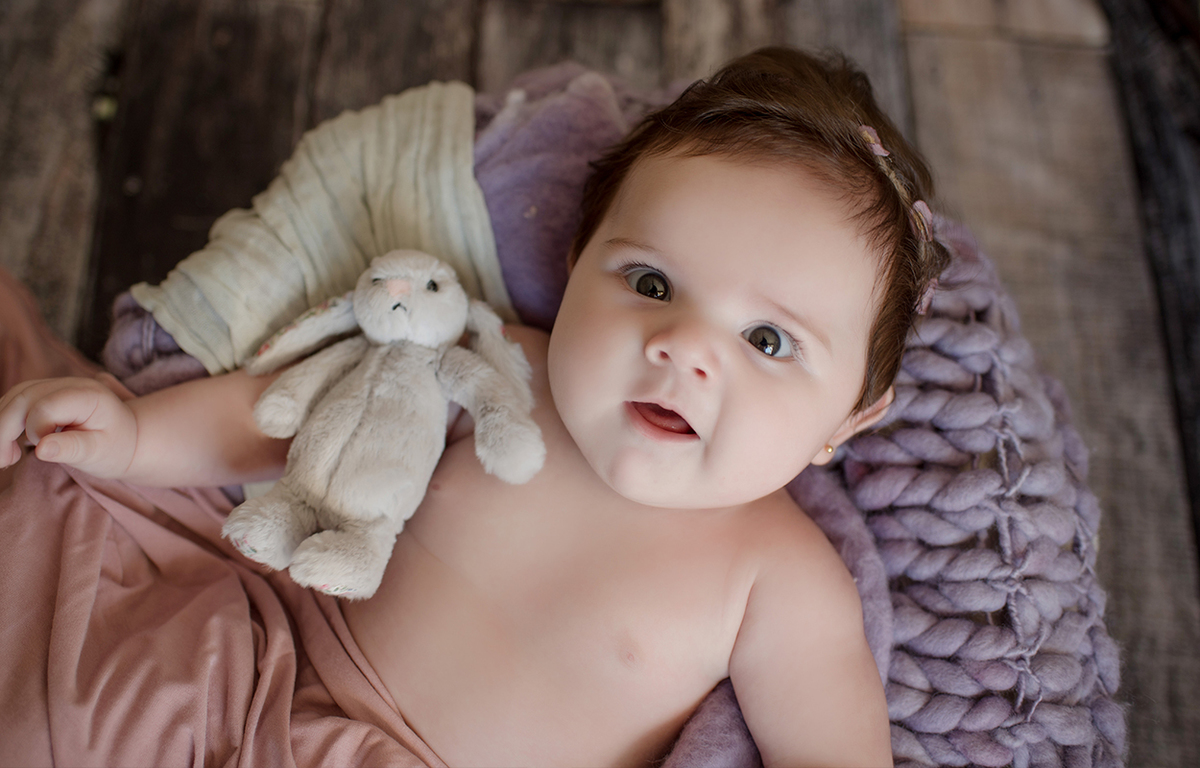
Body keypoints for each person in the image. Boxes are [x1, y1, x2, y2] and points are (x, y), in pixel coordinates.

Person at [0, 47, 946, 767]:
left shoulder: (783, 582)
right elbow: (281, 417)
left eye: (769, 341)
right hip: (251, 655)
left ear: (849, 421)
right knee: (56, 603)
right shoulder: (496, 363)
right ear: (577, 264)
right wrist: (131, 437)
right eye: (651, 282)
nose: (683, 348)